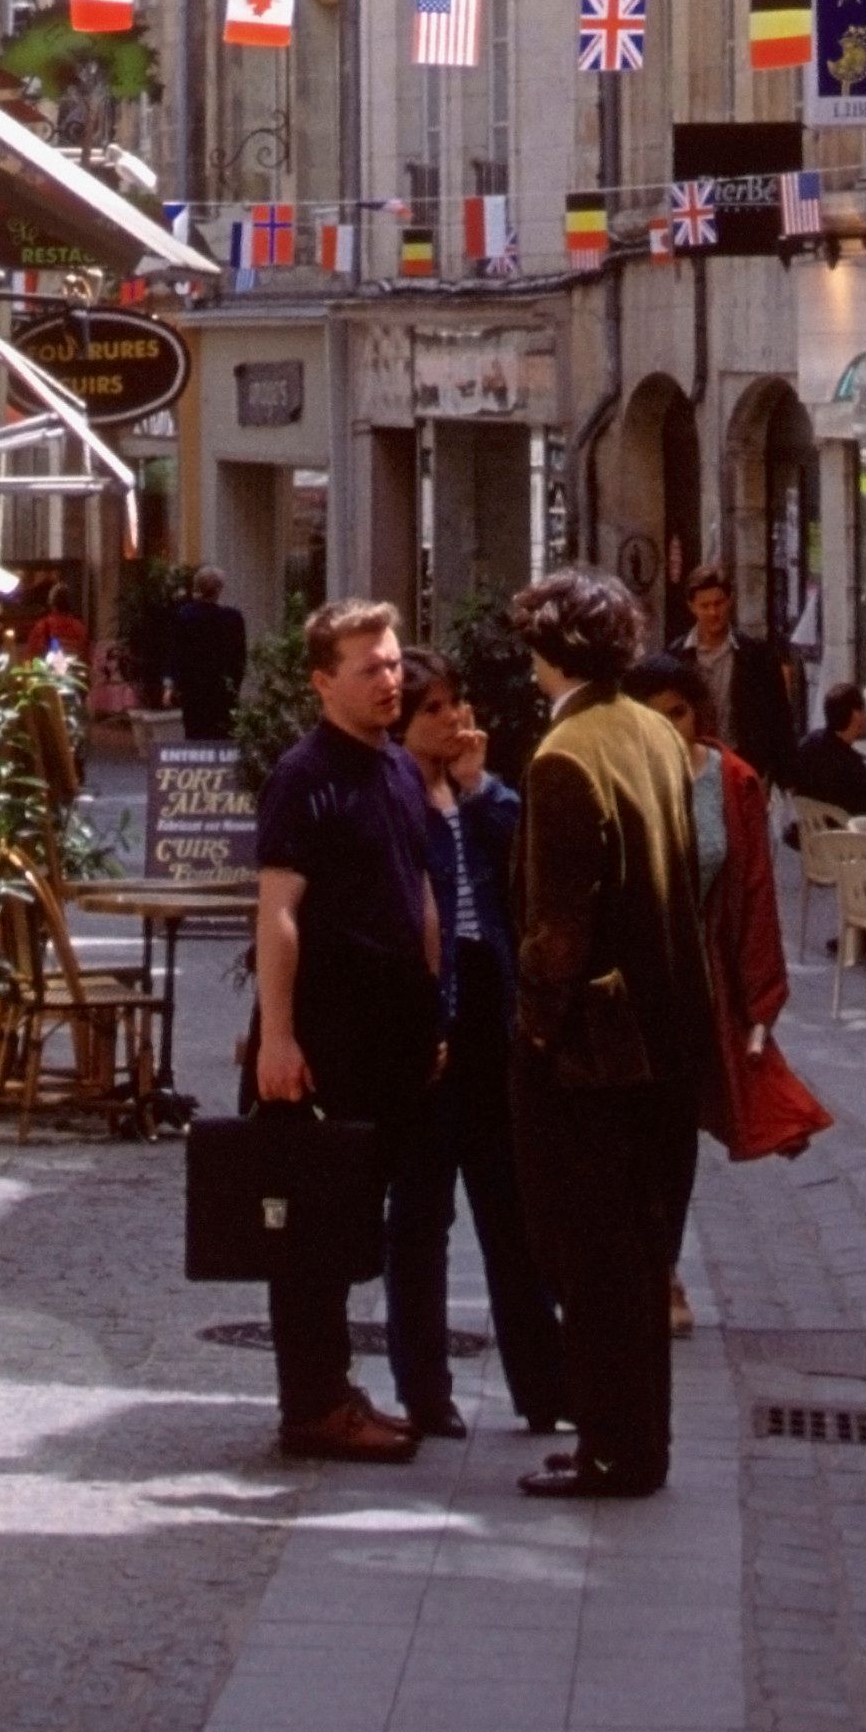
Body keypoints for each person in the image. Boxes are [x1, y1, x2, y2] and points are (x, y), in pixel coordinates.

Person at [507, 565, 719, 1499]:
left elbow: (559, 927)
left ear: (549, 652)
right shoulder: (657, 736)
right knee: (644, 1253)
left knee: (593, 1258)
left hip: (598, 1047)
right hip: (672, 1033)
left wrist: (535, 1032)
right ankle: (636, 1440)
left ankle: (611, 1448)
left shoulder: (565, 755)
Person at [249, 597, 445, 1465]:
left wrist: (436, 1006)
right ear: (324, 682)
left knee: (375, 1214)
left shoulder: (399, 769)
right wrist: (278, 1038)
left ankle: (348, 1388)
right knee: (312, 1227)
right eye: (371, 668)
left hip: (396, 1031)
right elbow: (278, 913)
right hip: (327, 1035)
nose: (391, 680)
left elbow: (424, 894)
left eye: (396, 663)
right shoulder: (304, 775)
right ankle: (313, 1403)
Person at [388, 649, 569, 1439]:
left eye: (455, 705)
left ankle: (543, 1385)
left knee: (514, 1208)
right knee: (423, 1213)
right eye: (434, 709)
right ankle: (425, 1389)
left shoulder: (475, 795)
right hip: (429, 1013)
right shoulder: (393, 796)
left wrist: (480, 785)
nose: (452, 720)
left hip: (491, 1005)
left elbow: (524, 863)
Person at [645, 661, 822, 1182]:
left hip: (701, 982)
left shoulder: (731, 780)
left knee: (678, 1125)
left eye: (677, 713)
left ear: (697, 710)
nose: (669, 728)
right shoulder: (624, 773)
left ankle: (665, 1259)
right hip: (638, 983)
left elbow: (755, 895)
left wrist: (760, 1004)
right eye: (653, 717)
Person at [665, 566, 801, 784]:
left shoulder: (758, 656)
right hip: (692, 767)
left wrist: (783, 777)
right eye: (705, 606)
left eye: (718, 603)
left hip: (744, 766)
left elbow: (779, 718)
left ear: (730, 601)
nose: (713, 612)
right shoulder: (676, 656)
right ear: (692, 607)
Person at [788, 680, 866, 819]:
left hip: (815, 837)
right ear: (856, 715)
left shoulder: (807, 746)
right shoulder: (851, 767)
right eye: (865, 710)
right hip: (854, 838)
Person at [170, 566, 251, 748]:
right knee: (223, 737)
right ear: (219, 589)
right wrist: (234, 684)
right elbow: (240, 656)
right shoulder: (233, 618)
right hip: (222, 690)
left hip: (194, 690)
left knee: (195, 736)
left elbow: (178, 653)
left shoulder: (185, 616)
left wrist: (175, 684)